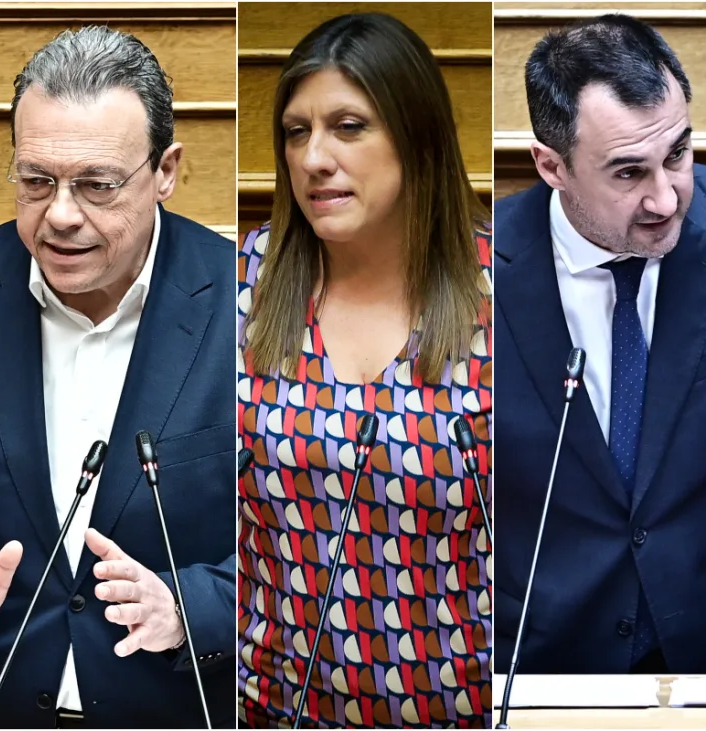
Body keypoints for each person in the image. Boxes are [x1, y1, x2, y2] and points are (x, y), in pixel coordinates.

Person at [238, 13, 492, 729]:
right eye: (296, 132)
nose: (315, 157)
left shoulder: (505, 294)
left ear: (417, 136)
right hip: (272, 710)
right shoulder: (240, 285)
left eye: (348, 127)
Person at [0, 26, 235, 728]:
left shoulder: (249, 300)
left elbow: (306, 541)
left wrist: (191, 608)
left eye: (97, 185)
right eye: (36, 181)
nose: (61, 215)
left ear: (166, 170)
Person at [495, 14, 706, 674]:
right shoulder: (479, 270)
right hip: (542, 665)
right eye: (629, 173)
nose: (665, 198)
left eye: (677, 154)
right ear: (552, 166)